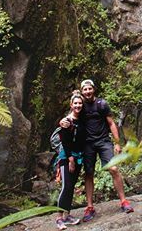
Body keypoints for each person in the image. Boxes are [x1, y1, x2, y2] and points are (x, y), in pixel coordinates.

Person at [61, 78, 133, 221]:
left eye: (89, 89)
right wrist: (62, 122)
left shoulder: (102, 104)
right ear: (82, 92)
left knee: (113, 169)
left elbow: (111, 124)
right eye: (85, 90)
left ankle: (124, 201)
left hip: (104, 141)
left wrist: (117, 143)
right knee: (89, 173)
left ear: (93, 89)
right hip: (87, 144)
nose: (87, 92)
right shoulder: (80, 106)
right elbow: (71, 116)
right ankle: (89, 207)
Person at [55, 91, 85, 229]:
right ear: (71, 105)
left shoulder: (82, 120)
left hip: (78, 156)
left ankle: (67, 216)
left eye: (80, 103)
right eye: (76, 103)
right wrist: (71, 160)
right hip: (66, 157)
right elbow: (65, 142)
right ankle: (59, 218)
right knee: (66, 186)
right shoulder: (67, 121)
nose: (78, 105)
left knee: (71, 186)